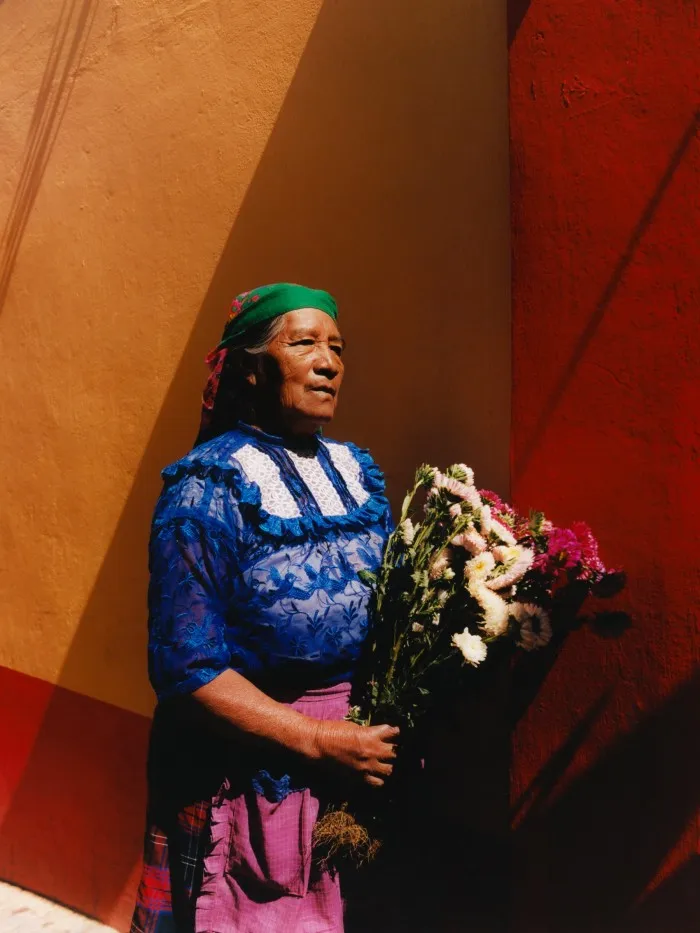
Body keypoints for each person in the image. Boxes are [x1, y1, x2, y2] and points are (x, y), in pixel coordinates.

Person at [131, 283, 398, 933]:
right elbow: (185, 667)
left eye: (336, 346)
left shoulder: (357, 473)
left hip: (352, 774)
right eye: (303, 342)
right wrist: (314, 738)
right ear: (251, 366)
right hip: (249, 778)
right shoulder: (208, 486)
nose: (328, 360)